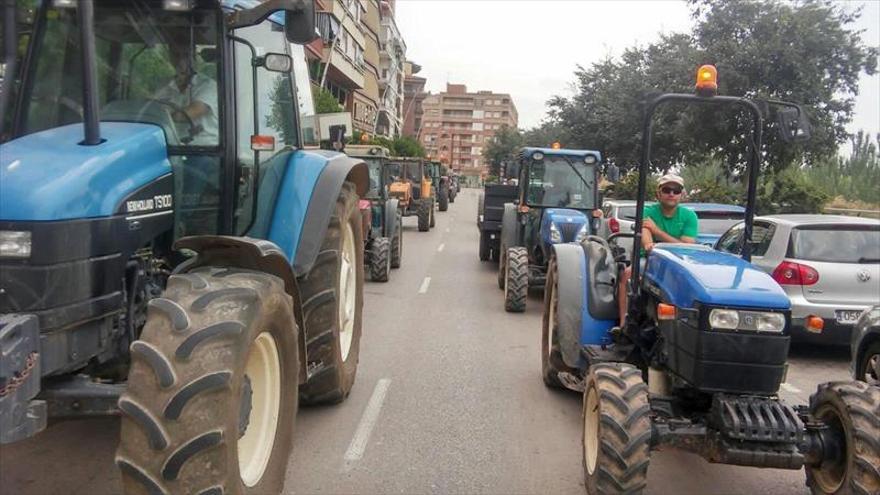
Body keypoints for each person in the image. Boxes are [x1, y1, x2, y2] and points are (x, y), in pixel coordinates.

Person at [616, 174, 698, 327]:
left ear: (682, 194)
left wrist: (658, 232)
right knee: (627, 273)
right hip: (650, 261)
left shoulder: (689, 216)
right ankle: (624, 323)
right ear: (658, 193)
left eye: (676, 190)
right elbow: (648, 245)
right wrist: (651, 243)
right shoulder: (647, 212)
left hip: (679, 264)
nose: (671, 194)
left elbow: (687, 247)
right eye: (667, 190)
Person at [153, 34, 219, 146]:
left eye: (186, 55)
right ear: (170, 57)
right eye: (176, 55)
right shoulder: (164, 85)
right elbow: (150, 107)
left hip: (204, 149)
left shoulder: (208, 86)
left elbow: (189, 114)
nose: (181, 61)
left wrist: (160, 116)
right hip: (172, 146)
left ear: (194, 57)